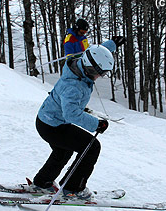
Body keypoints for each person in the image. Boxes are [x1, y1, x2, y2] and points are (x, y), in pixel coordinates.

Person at [33, 37, 125, 200]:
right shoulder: (73, 86)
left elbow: (95, 53)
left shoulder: (80, 62)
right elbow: (72, 114)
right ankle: (72, 188)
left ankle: (43, 182)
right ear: (90, 69)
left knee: (63, 150)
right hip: (53, 125)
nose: (99, 76)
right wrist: (97, 124)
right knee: (92, 147)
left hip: (47, 120)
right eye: (99, 73)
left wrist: (112, 45)